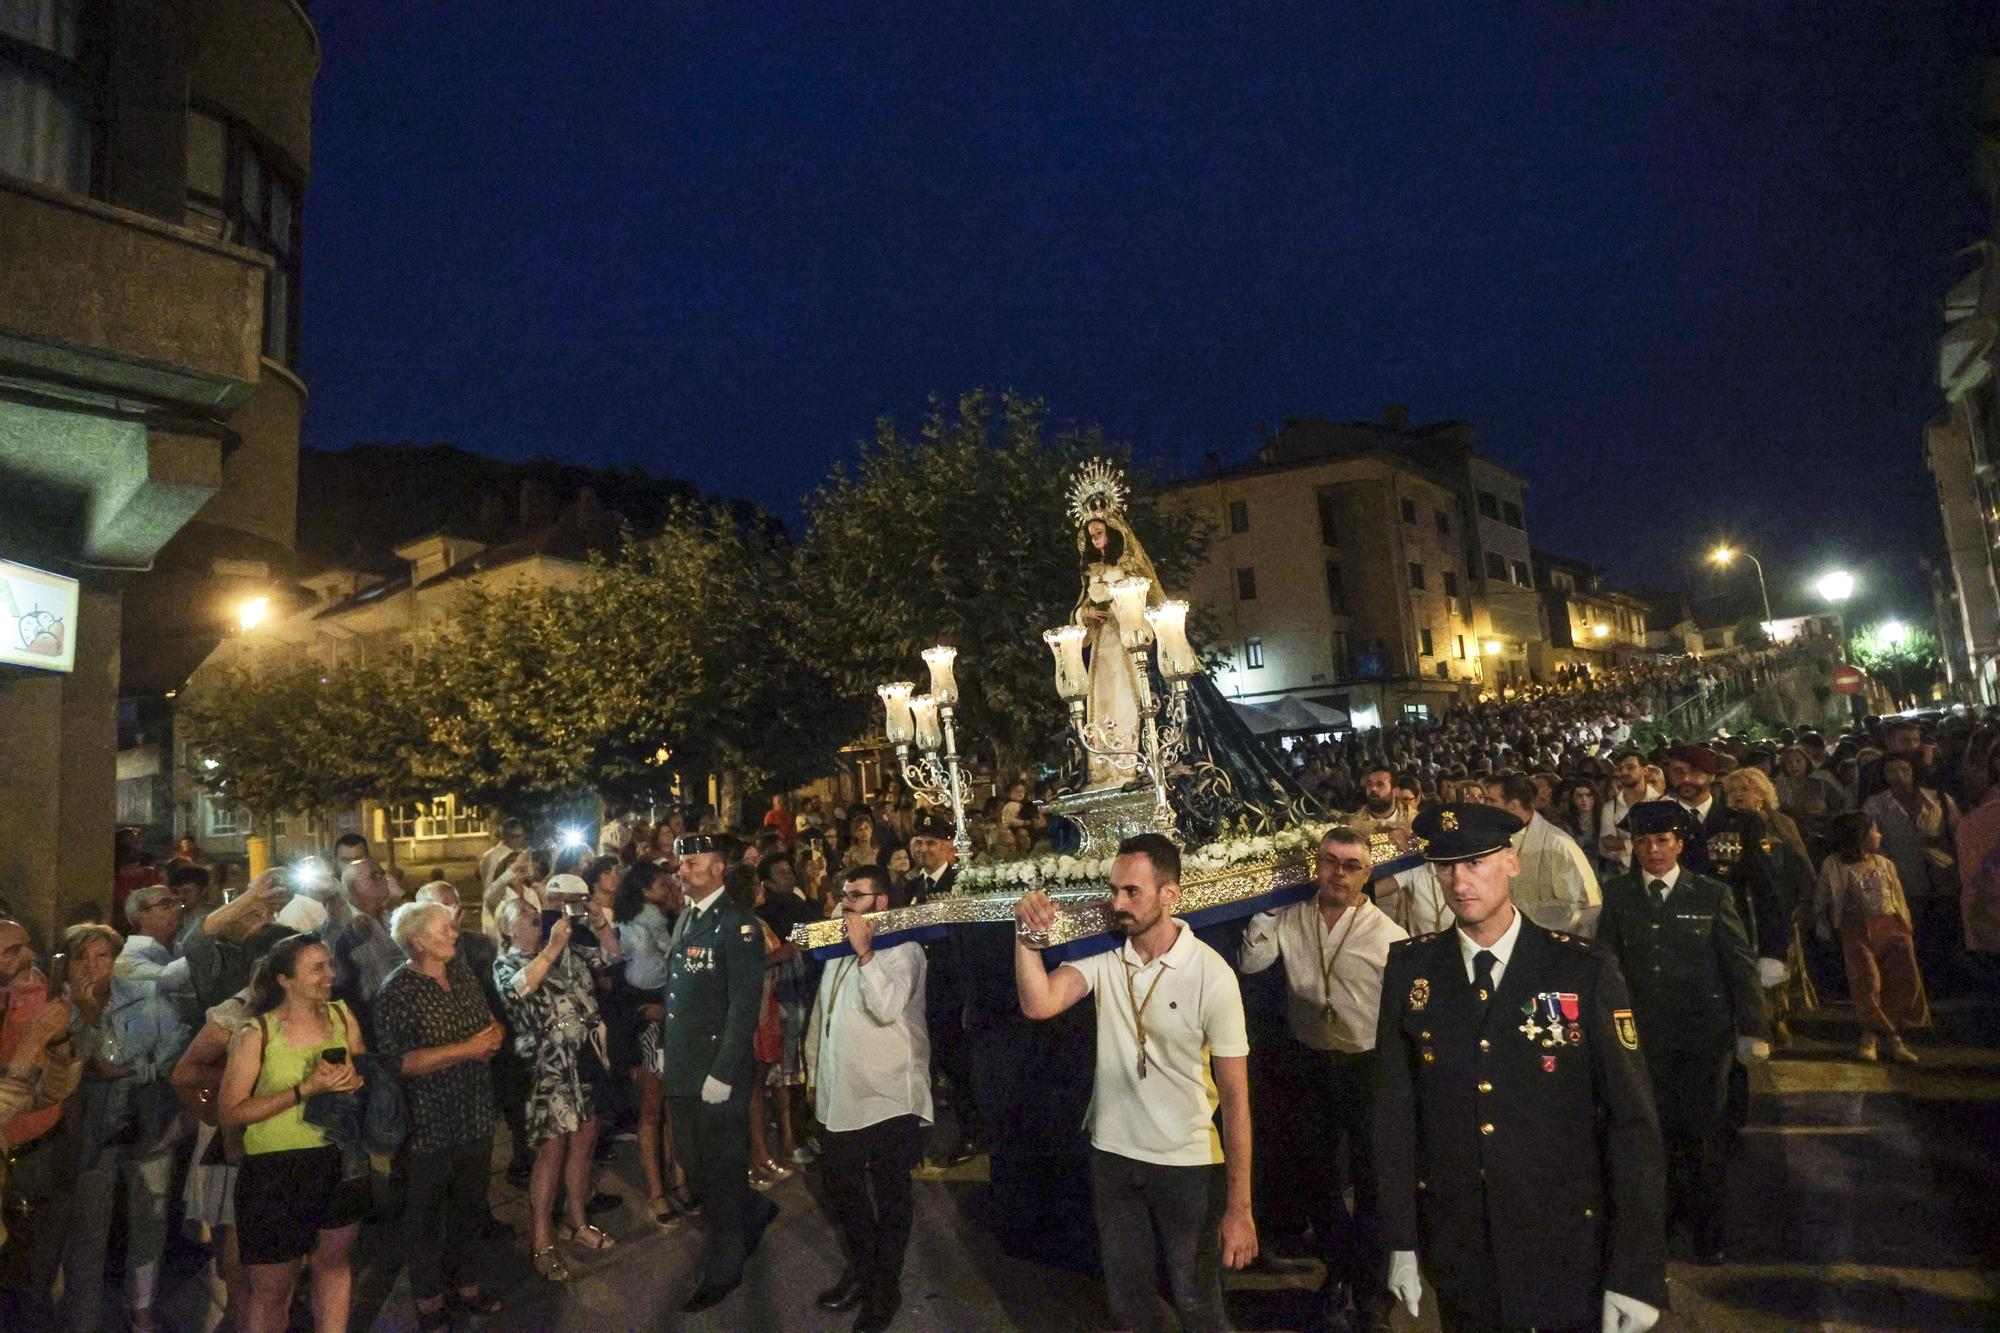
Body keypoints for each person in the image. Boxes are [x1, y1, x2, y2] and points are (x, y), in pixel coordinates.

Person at [1374, 803, 1666, 1333]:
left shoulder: (1580, 968)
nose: (1460, 881)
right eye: (1446, 866)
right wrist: (1400, 1241)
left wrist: (1637, 1270)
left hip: (1564, 1236)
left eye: (1476, 863)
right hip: (1461, 1240)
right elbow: (1396, 1115)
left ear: (1511, 863)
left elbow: (1633, 1125)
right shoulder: (1411, 969)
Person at [1014, 833, 1256, 1333]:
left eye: (1132, 892)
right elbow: (1039, 1003)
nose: (1117, 904)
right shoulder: (1107, 953)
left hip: (1187, 1163)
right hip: (1113, 1155)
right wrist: (1025, 937)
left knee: (1197, 1305)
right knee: (1130, 1303)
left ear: (1170, 894)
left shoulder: (1212, 975)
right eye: (1114, 891)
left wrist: (1239, 1209)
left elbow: (1236, 1101)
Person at [1239, 827, 1405, 1331]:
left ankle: (1372, 1291)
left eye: (1352, 865)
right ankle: (1337, 1271)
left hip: (1366, 1066)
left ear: (1367, 873)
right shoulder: (1292, 916)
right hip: (1310, 1062)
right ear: (1317, 864)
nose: (1339, 872)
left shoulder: (1388, 935)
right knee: (1318, 1177)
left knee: (1374, 1181)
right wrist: (1265, 904)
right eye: (1331, 861)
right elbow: (1252, 960)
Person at [1595, 801, 1769, 1263]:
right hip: (1643, 1039)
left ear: (1680, 844)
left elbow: (1739, 965)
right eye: (1644, 841)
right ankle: (1661, 1225)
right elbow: (1606, 967)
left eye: (1662, 841)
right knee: (1652, 1137)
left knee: (1704, 1137)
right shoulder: (1617, 896)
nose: (1653, 850)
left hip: (1702, 1040)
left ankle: (1709, 1233)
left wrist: (1751, 1026)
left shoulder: (1711, 895)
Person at [215, 933, 370, 1333]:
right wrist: (305, 1090)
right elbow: (230, 1111)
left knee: (333, 1266)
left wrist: (356, 1080)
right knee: (271, 1290)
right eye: (317, 968)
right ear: (285, 980)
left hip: (339, 1158)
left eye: (329, 964)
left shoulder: (340, 1014)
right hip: (275, 1170)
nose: (329, 975)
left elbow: (365, 1072)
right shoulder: (258, 1033)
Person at [66, 884, 196, 1333]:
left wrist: (131, 1070)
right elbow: (77, 1065)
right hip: (93, 1130)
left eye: (102, 956)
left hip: (150, 1119)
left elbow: (174, 1048)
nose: (93, 967)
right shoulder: (64, 1007)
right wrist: (86, 1018)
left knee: (149, 1220)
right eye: (82, 958)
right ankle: (81, 1315)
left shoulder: (145, 995)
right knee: (89, 1227)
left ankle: (141, 1305)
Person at [813, 864, 933, 1333]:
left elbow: (885, 1009)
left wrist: (865, 954)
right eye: (843, 894)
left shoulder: (904, 949)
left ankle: (885, 1288)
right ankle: (865, 1267)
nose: (845, 903)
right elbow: (826, 1016)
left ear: (881, 902)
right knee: (842, 1186)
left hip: (889, 1092)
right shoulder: (839, 945)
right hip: (842, 1090)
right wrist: (814, 1072)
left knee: (890, 1191)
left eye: (855, 896)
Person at [657, 833, 774, 1312]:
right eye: (682, 862)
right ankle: (753, 1210)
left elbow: (744, 1005)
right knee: (693, 1157)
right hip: (684, 1064)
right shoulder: (689, 916)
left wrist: (724, 1071)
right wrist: (669, 1051)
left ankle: (726, 1261)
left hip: (716, 1068)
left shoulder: (738, 925)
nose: (682, 870)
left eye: (693, 862)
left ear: (720, 868)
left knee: (720, 1168)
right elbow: (679, 995)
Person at [375, 901, 506, 1326]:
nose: (454, 933)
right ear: (418, 942)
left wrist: (494, 1034)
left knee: (470, 1207)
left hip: (474, 1112)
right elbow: (398, 1062)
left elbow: (487, 1020)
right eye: (444, 929)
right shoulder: (397, 991)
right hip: (428, 1122)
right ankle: (428, 1299)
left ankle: (466, 1285)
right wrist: (466, 1050)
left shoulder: (461, 973)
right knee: (427, 1216)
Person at [492, 895, 615, 1281]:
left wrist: (600, 924)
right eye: (523, 915)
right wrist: (554, 946)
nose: (533, 918)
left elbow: (611, 958)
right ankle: (541, 1240)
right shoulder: (506, 963)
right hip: (545, 1067)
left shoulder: (566, 949)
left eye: (534, 912)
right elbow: (519, 989)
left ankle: (576, 1222)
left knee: (584, 1138)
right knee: (551, 1149)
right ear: (507, 929)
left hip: (581, 1060)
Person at [0, 919, 85, 1327]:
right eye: (11, 951)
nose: (28, 958)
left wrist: (58, 1043)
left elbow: (48, 1095)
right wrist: (32, 1042)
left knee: (34, 1281)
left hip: (41, 1152)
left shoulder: (25, 996)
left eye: (27, 947)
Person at [611, 860, 699, 1224]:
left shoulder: (665, 923)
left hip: (673, 1018)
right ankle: (657, 1191)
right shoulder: (628, 930)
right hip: (651, 1024)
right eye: (663, 886)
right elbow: (621, 982)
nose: (669, 891)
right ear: (645, 889)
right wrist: (642, 1012)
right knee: (652, 1106)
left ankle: (679, 1180)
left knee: (676, 1104)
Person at [1072, 465, 1167, 790]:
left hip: (1129, 648)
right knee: (1103, 704)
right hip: (1102, 650)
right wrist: (1086, 614)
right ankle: (1104, 771)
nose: (1095, 541)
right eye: (1091, 535)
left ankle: (1131, 765)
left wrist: (1117, 611)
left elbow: (1145, 607)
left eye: (1099, 534)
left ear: (1112, 532)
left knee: (1127, 702)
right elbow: (1078, 609)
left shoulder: (1128, 569)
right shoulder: (1091, 573)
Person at [1816, 812, 1929, 1063]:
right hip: (1855, 928)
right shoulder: (1834, 864)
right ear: (1859, 836)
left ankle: (1872, 1036)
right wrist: (1824, 925)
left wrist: (1905, 926)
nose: (1879, 835)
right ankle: (1890, 1038)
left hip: (1891, 927)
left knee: (1901, 981)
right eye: (1874, 830)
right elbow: (1824, 898)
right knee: (1867, 981)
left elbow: (1896, 895)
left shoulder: (1884, 863)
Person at [1864, 755, 1961, 989]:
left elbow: (1958, 832)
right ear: (1883, 775)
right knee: (1914, 930)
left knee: (1944, 927)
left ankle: (1947, 979)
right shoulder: (1876, 805)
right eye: (1891, 770)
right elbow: (1873, 843)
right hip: (1903, 876)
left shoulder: (1937, 799)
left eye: (1904, 769)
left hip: (1943, 875)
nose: (1899, 775)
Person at [1485, 772, 1601, 936]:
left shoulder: (1558, 844)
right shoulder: (1489, 840)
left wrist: (1520, 915)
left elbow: (1588, 904)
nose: (1484, 806)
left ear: (1513, 805)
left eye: (1491, 801)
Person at [1599, 749, 1662, 875]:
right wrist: (1644, 844)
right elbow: (1606, 846)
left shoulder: (1662, 802)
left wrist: (1623, 845)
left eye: (1630, 767)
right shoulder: (1610, 807)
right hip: (1624, 874)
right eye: (1620, 768)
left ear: (1644, 770)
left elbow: (1663, 846)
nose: (1624, 772)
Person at [478, 819, 528, 894]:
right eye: (514, 836)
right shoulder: (491, 856)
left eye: (520, 836)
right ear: (505, 836)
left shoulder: (522, 853)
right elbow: (489, 885)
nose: (518, 840)